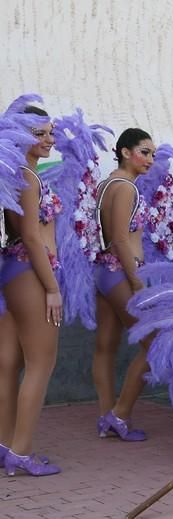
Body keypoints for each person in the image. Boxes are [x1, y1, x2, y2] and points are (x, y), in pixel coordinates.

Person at [0, 105, 62, 475]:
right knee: (42, 362)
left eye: (50, 132)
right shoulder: (26, 176)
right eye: (39, 134)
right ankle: (21, 454)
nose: (49, 140)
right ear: (20, 136)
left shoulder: (16, 174)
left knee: (8, 364)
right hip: (30, 272)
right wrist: (52, 288)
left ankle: (6, 445)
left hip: (13, 268)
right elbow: (33, 237)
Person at [91, 128, 155, 441]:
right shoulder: (125, 187)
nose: (150, 160)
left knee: (106, 345)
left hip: (103, 271)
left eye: (153, 154)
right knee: (154, 344)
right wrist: (137, 283)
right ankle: (120, 413)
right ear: (125, 151)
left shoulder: (105, 184)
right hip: (120, 272)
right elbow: (119, 238)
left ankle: (107, 414)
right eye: (145, 152)